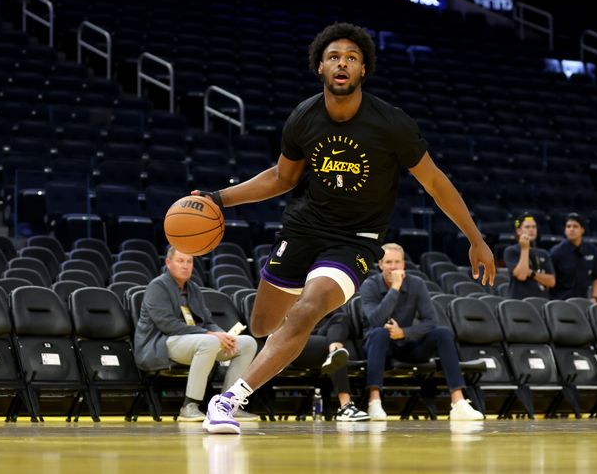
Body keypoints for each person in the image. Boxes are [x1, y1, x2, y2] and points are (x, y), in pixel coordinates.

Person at [193, 22, 495, 434]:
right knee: (264, 324)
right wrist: (218, 198)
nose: (342, 63)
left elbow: (436, 182)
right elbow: (281, 178)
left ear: (362, 71)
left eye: (352, 58)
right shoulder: (303, 118)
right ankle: (290, 341)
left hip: (356, 239)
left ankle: (227, 400)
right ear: (320, 66)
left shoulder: (391, 123)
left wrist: (475, 238)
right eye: (334, 56)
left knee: (307, 310)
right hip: (303, 228)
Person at [359, 243, 484, 421]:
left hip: (407, 344)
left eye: (397, 262)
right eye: (388, 262)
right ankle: (374, 401)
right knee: (379, 332)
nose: (393, 267)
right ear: (380, 264)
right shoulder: (369, 285)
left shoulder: (416, 284)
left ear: (403, 264)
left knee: (443, 333)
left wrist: (404, 332)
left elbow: (431, 321)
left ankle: (458, 402)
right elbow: (375, 320)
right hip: (379, 348)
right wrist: (395, 288)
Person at [134, 247, 258, 422]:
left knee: (246, 343)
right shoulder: (157, 286)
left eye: (189, 261)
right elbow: (167, 325)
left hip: (195, 340)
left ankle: (228, 405)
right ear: (168, 263)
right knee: (209, 342)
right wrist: (211, 334)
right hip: (160, 343)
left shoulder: (193, 288)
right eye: (180, 261)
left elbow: (207, 320)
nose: (186, 266)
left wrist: (223, 335)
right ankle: (189, 406)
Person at [290, 308, 369, 421]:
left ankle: (333, 351)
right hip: (295, 339)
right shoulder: (286, 292)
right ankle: (345, 407)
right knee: (336, 351)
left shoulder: (319, 293)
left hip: (323, 336)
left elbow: (342, 322)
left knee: (341, 318)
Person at [549, 213, 597, 301]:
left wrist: (594, 297)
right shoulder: (556, 252)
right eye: (568, 226)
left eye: (575, 226)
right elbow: (549, 279)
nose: (571, 229)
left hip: (582, 302)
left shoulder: (592, 250)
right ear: (565, 230)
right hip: (560, 302)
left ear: (582, 230)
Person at [503, 212, 556, 298]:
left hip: (541, 301)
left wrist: (531, 273)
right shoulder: (511, 251)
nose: (532, 230)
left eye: (534, 227)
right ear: (518, 231)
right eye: (527, 227)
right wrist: (524, 249)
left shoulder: (544, 253)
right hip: (520, 302)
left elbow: (551, 281)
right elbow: (522, 275)